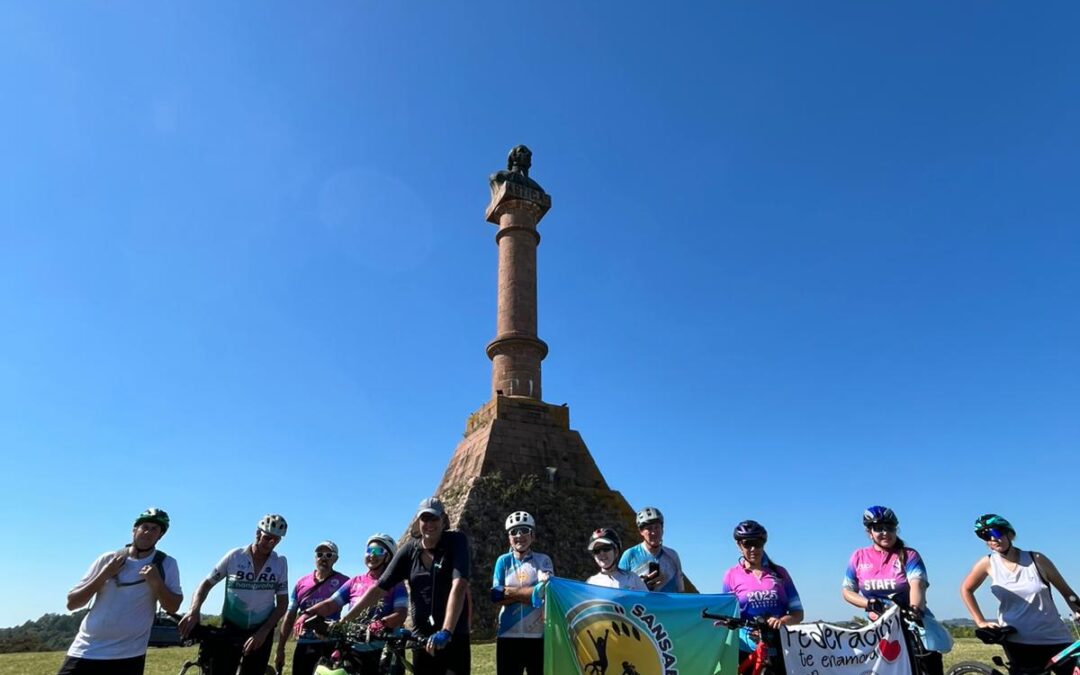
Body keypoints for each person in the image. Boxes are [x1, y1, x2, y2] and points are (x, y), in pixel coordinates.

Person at [338, 497, 471, 675]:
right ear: (418, 522)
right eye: (425, 519)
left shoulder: (456, 541)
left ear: (443, 520)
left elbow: (459, 585)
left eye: (434, 519)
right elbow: (378, 589)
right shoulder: (410, 550)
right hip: (421, 637)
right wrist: (345, 621)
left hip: (453, 634)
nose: (429, 524)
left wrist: (446, 631)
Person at [57, 508, 183, 675]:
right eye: (144, 526)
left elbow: (173, 607)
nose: (148, 532)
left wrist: (157, 582)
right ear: (134, 530)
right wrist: (105, 574)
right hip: (87, 649)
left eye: (155, 529)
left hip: (129, 655)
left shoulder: (166, 564)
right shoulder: (108, 559)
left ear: (160, 536)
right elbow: (72, 603)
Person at [960, 514, 1080, 675]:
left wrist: (1077, 609)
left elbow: (1067, 593)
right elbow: (966, 590)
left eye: (995, 533)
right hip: (1019, 641)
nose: (992, 540)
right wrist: (980, 621)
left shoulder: (1036, 560)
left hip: (1055, 638)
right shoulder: (988, 563)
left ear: (1010, 534)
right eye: (985, 536)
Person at [179, 514, 290, 675]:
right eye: (267, 538)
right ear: (257, 533)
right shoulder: (235, 556)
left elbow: (282, 604)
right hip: (231, 627)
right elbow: (205, 584)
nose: (271, 543)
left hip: (261, 630)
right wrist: (194, 610)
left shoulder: (280, 562)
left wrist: (264, 631)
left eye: (276, 540)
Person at [841, 506, 946, 675]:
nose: (885, 532)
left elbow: (917, 584)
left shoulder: (909, 555)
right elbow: (847, 591)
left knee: (928, 666)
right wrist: (867, 603)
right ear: (869, 532)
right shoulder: (858, 557)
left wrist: (915, 609)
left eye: (890, 528)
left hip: (911, 622)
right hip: (878, 626)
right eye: (878, 528)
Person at [300, 533, 409, 674]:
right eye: (369, 551)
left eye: (378, 551)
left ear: (388, 557)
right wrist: (307, 613)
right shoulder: (355, 581)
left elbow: (401, 614)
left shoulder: (396, 584)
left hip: (382, 651)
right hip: (352, 649)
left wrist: (381, 623)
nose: (372, 555)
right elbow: (331, 604)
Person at [722, 520, 803, 663]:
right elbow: (728, 614)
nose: (753, 548)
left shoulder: (780, 573)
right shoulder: (731, 575)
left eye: (758, 543)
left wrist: (781, 621)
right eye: (747, 543)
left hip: (780, 647)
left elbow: (798, 613)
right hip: (746, 650)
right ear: (739, 545)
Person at [491, 511, 555, 675]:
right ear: (509, 538)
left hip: (537, 636)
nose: (519, 535)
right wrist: (533, 592)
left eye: (524, 530)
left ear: (533, 535)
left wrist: (509, 593)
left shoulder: (543, 560)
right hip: (507, 635)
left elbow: (546, 594)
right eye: (514, 531)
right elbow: (496, 596)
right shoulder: (503, 561)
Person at [274, 540, 349, 675]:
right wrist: (280, 649)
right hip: (304, 644)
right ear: (315, 558)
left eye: (328, 555)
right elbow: (290, 615)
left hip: (330, 645)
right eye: (320, 554)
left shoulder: (344, 582)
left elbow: (356, 607)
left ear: (336, 559)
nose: (323, 558)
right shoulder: (301, 583)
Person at [619, 507, 685, 592]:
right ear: (641, 531)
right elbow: (618, 589)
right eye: (649, 528)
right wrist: (641, 585)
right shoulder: (630, 555)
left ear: (662, 529)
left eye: (657, 527)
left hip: (667, 604)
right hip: (641, 604)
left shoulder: (673, 555)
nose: (654, 532)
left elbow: (681, 590)